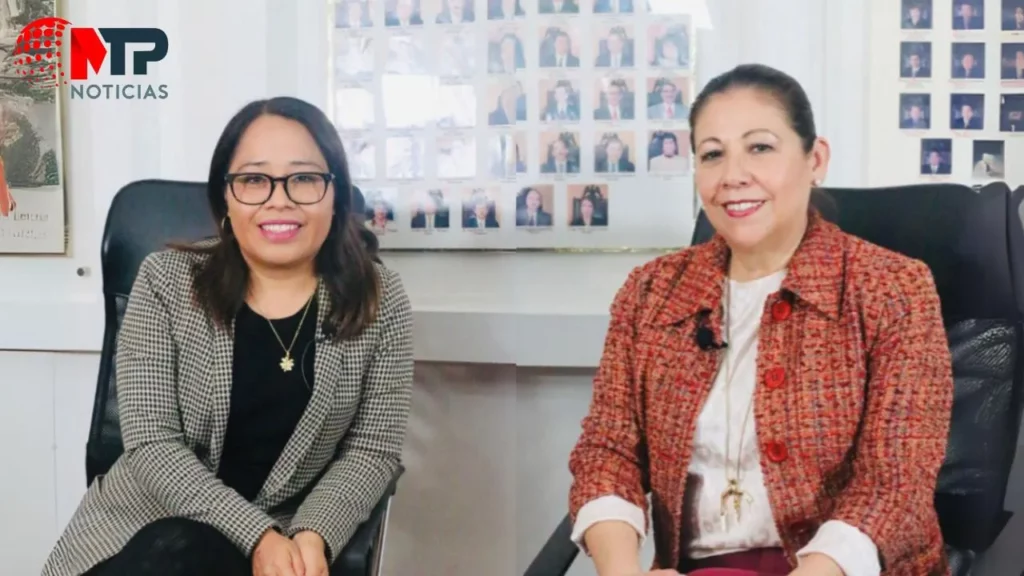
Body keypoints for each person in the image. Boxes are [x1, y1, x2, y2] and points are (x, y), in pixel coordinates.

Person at [568, 64, 952, 576]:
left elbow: (895, 483)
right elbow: (606, 451)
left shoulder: (892, 288)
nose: (732, 176)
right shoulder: (650, 292)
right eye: (712, 154)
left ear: (815, 159)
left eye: (760, 147)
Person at [42, 97, 414, 576]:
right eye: (254, 179)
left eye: (304, 178)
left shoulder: (379, 298)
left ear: (336, 194)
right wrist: (253, 534)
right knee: (181, 548)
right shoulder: (165, 280)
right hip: (148, 528)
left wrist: (311, 535)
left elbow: (372, 449)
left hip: (285, 540)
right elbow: (153, 444)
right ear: (227, 199)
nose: (279, 199)